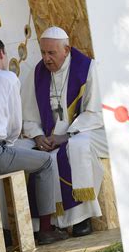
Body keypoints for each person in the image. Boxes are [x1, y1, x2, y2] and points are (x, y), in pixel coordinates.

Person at [0, 36, 68, 245]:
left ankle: (6, 229)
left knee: (24, 152)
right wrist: (9, 143)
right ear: (1, 53)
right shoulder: (8, 78)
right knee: (45, 161)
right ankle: (45, 229)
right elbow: (15, 126)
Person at [21, 26, 109, 237]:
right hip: (51, 136)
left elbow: (95, 112)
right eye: (43, 52)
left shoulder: (87, 68)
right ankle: (51, 222)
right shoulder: (37, 74)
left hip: (87, 130)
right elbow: (28, 115)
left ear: (67, 49)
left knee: (76, 147)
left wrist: (67, 135)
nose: (46, 58)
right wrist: (38, 135)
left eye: (51, 53)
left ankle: (82, 218)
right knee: (38, 155)